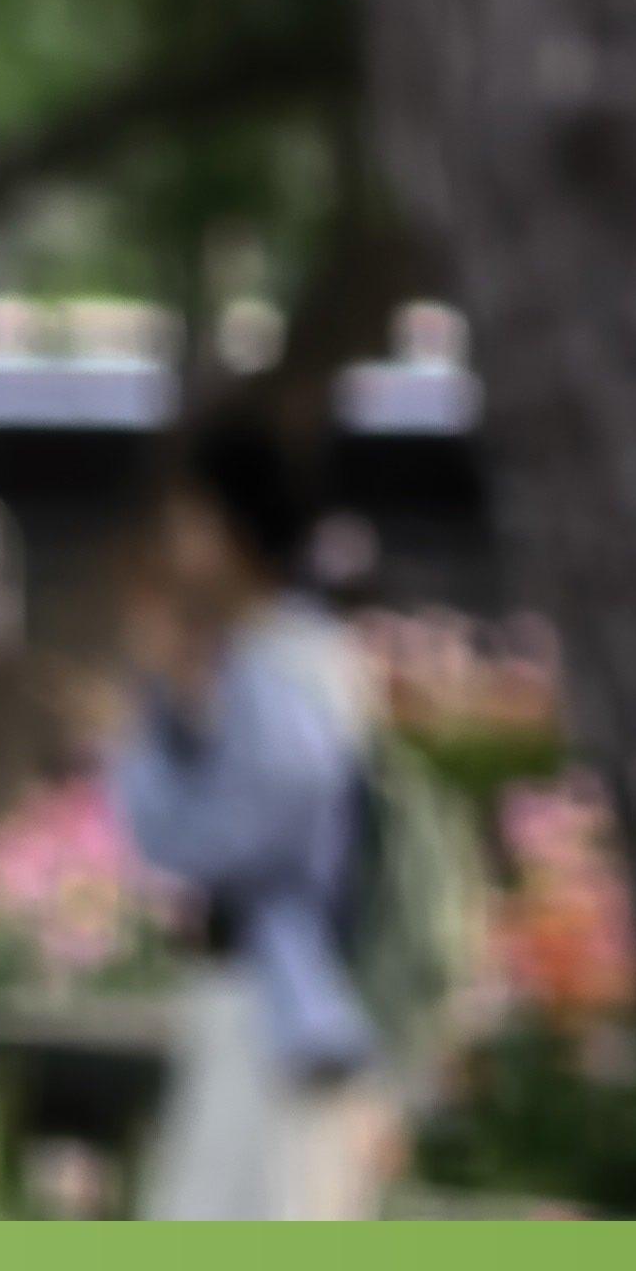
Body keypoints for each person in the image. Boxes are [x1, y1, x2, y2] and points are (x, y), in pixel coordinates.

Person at [106, 414, 395, 1220]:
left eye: (190, 519)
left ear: (232, 528)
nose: (175, 542)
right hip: (266, 1000)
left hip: (281, 1008)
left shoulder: (285, 665)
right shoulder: (277, 660)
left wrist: (144, 723)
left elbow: (201, 839)